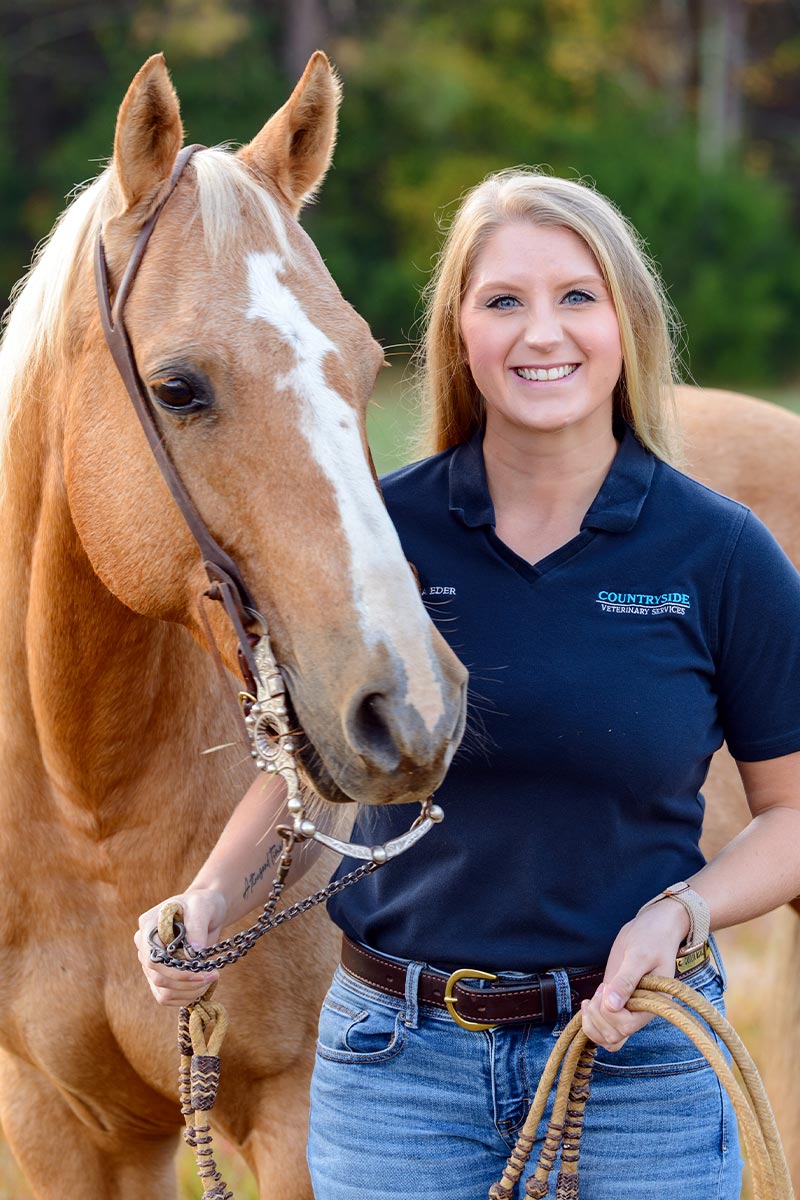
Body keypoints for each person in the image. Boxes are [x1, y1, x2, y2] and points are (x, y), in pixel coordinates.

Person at [136, 169, 800, 1199]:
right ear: (459, 334)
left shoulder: (718, 553)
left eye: (576, 296)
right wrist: (212, 895)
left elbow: (789, 816)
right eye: (503, 301)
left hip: (640, 1064)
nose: (543, 333)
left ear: (625, 319)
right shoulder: (382, 533)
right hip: (397, 1075)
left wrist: (680, 913)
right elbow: (310, 763)